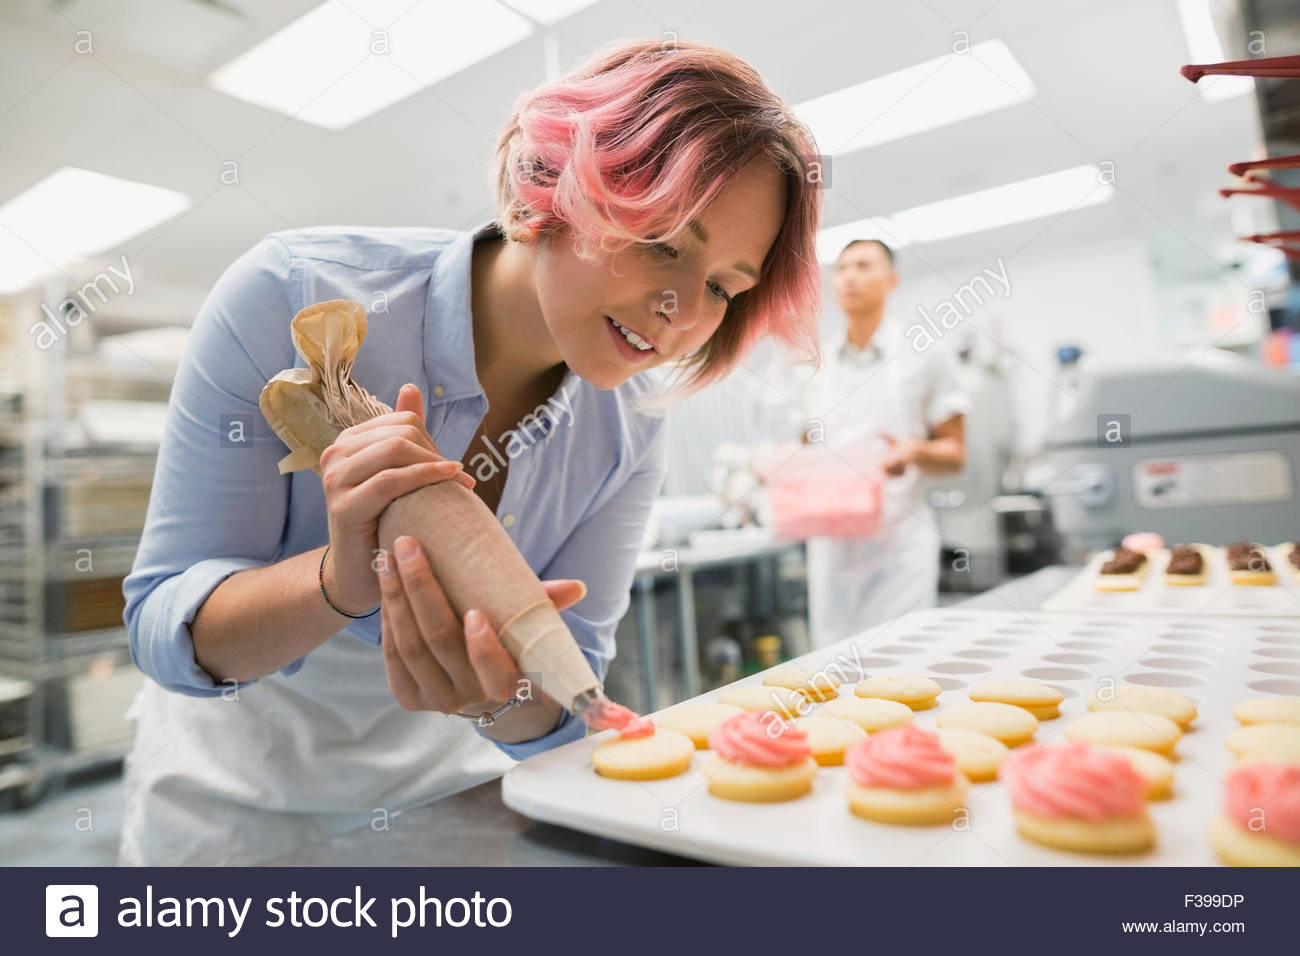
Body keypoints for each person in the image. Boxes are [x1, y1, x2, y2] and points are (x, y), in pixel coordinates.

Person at [119, 38, 823, 865]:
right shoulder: (293, 294)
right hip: (233, 816)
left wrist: (493, 700)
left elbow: (559, 707)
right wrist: (339, 584)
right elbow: (164, 625)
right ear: (556, 186)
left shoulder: (631, 426)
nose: (680, 309)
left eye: (722, 288)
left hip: (445, 816)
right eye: (664, 241)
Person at [799, 239, 968, 646]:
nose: (849, 277)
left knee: (899, 663)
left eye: (863, 266)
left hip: (899, 545)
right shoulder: (813, 364)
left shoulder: (925, 354)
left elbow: (955, 453)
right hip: (832, 549)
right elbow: (807, 445)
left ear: (892, 280)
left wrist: (915, 452)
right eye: (841, 269)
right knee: (833, 668)